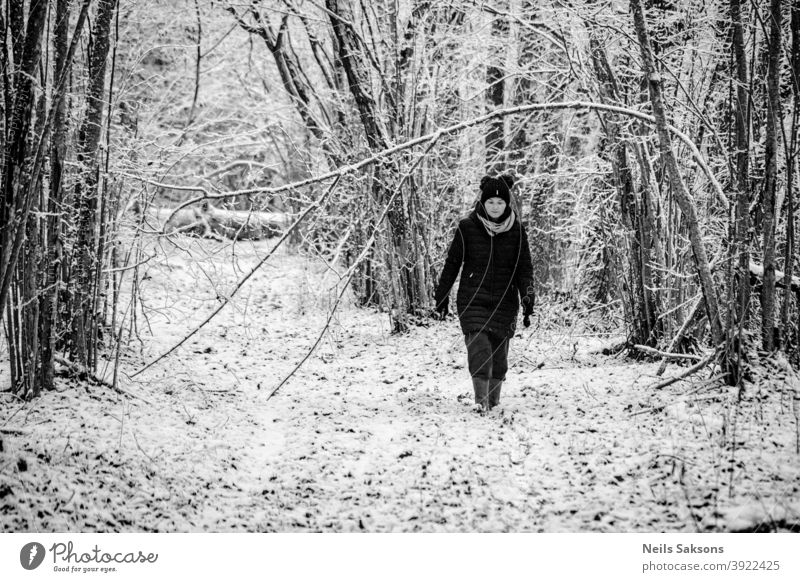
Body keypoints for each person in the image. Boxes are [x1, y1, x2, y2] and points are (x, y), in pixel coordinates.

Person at [434, 175, 535, 413]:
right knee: (480, 347)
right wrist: (442, 296)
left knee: (499, 355)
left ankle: (493, 401)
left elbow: (524, 269)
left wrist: (528, 298)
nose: (495, 207)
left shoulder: (518, 232)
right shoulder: (467, 227)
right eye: (490, 202)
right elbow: (452, 264)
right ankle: (481, 403)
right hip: (473, 299)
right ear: (483, 201)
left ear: (507, 203)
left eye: (500, 203)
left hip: (505, 300)